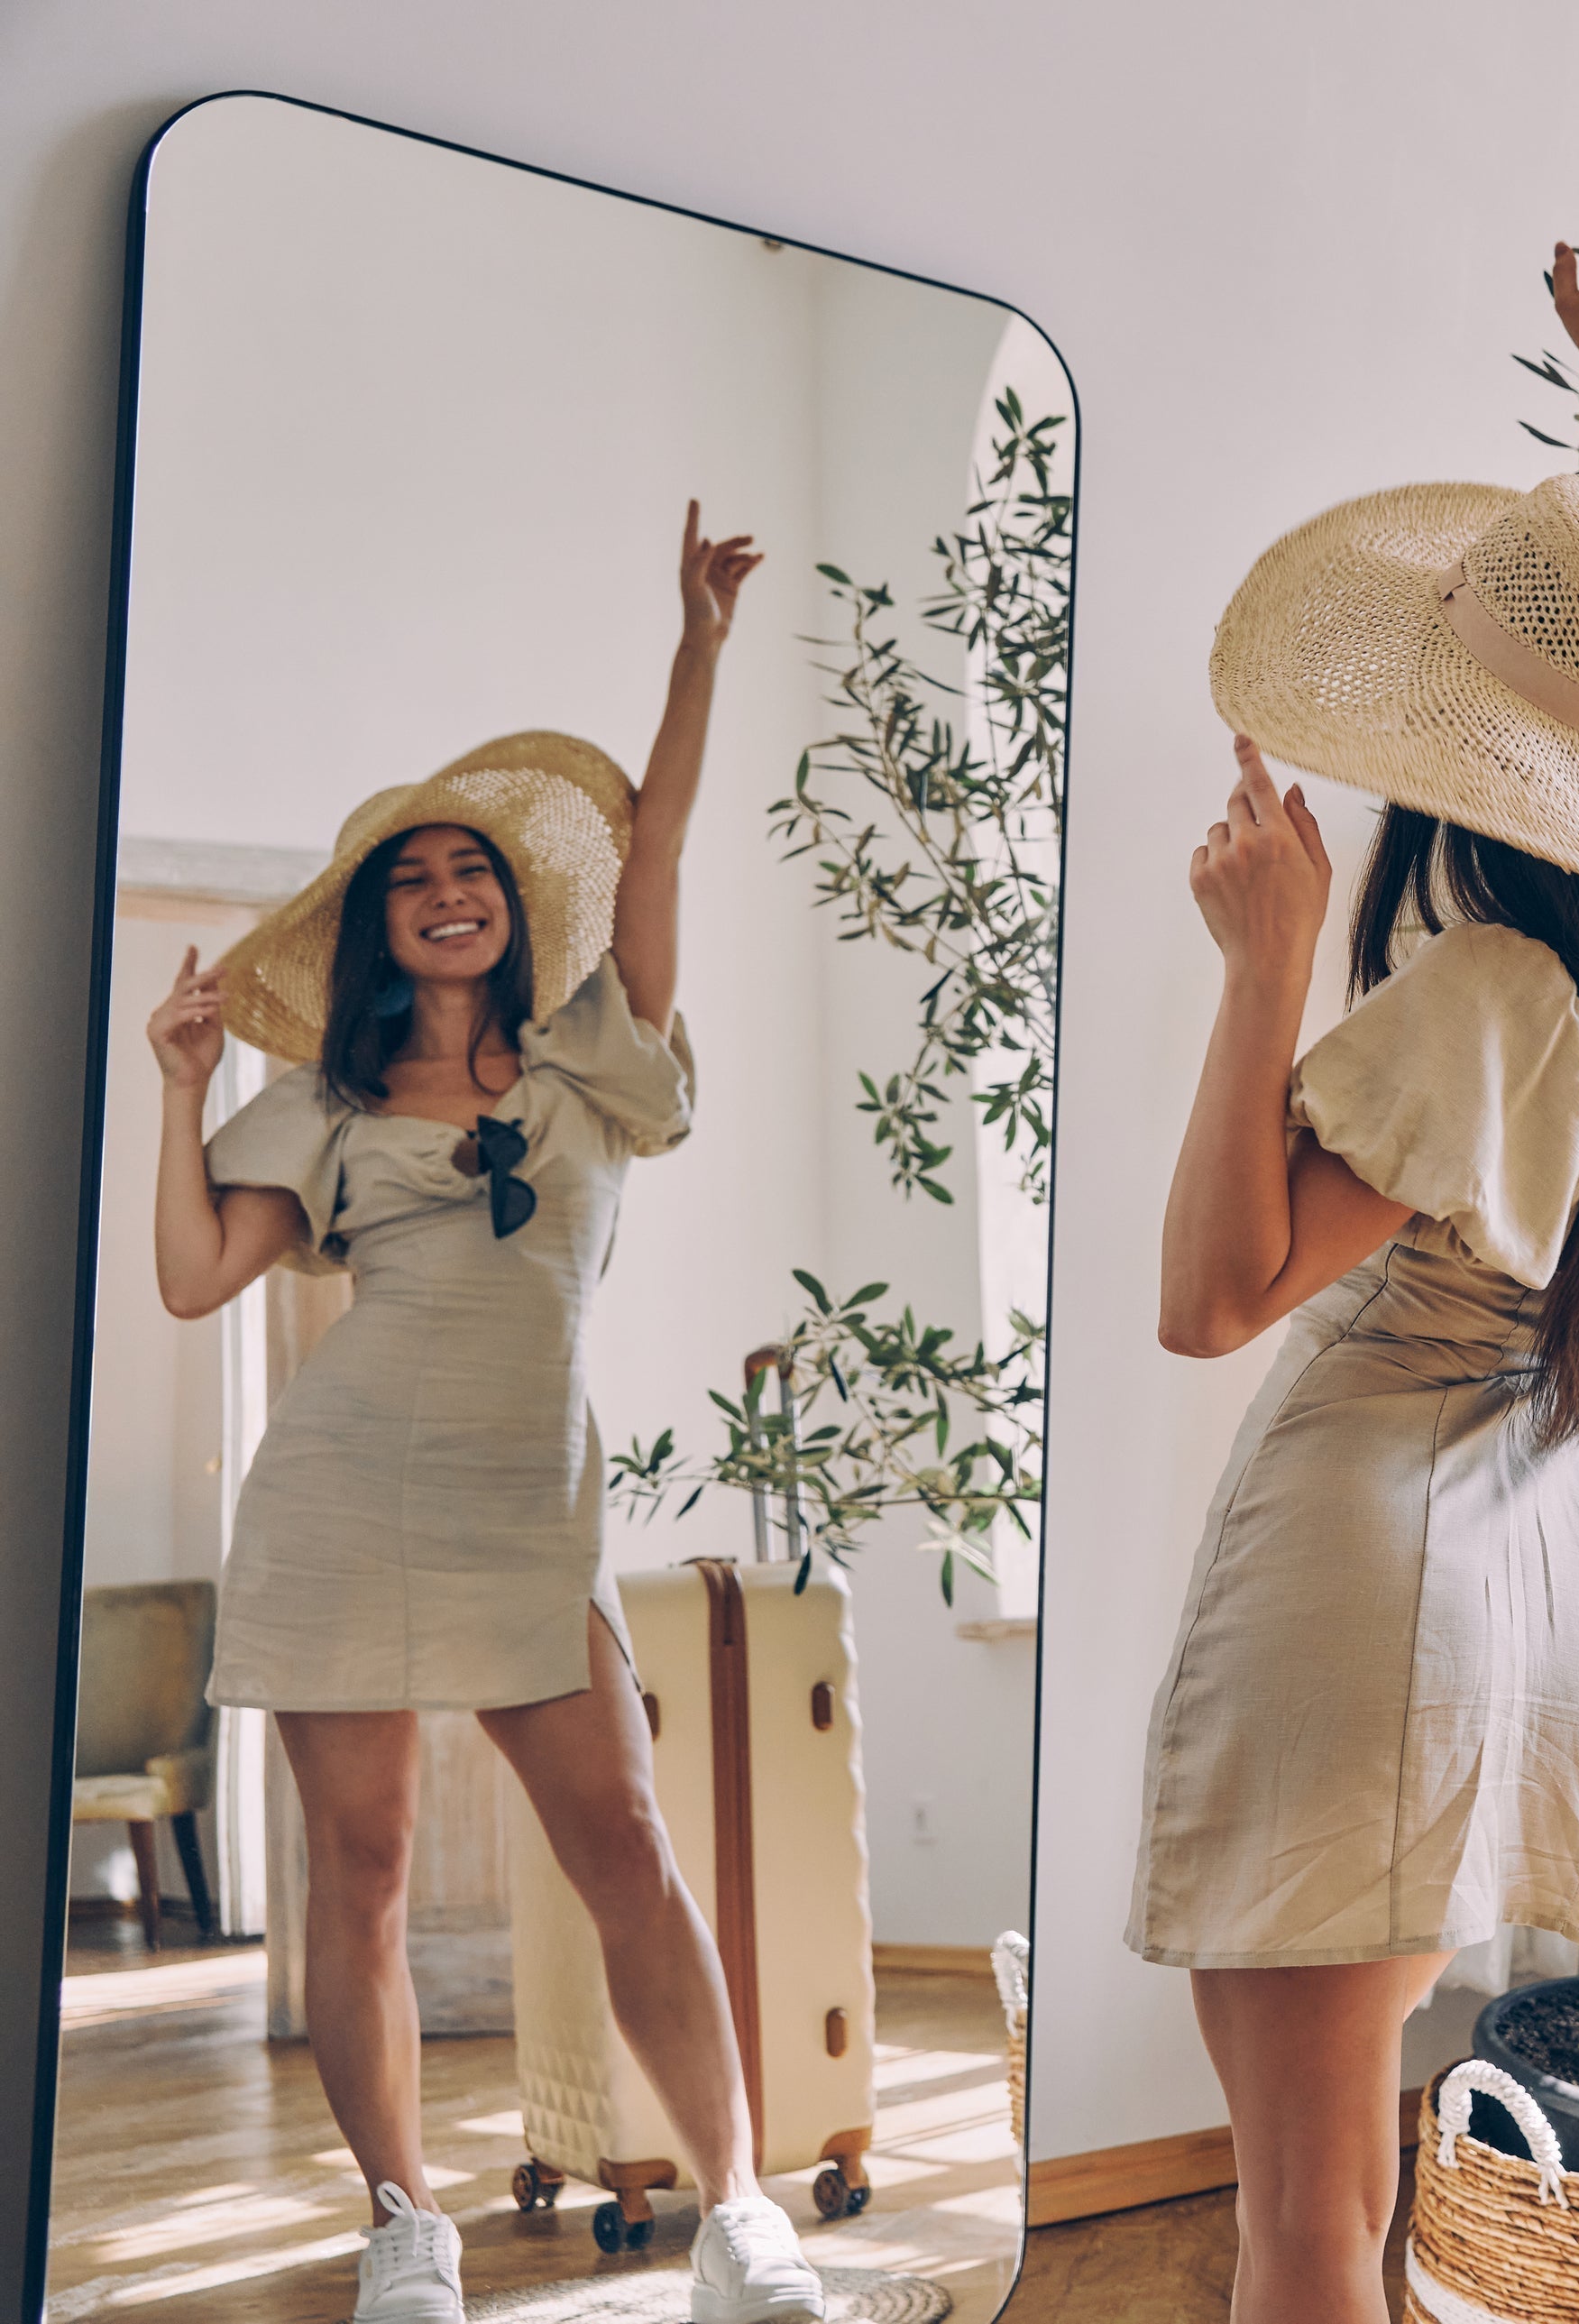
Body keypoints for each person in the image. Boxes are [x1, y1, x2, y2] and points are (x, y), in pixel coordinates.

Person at [1133, 161, 1579, 2322]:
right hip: (1533, 1573)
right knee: (1340, 2186)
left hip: (1372, 1583)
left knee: (1306, 2218)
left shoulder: (1480, 996)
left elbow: (1210, 1297)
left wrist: (1263, 963)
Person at [144, 509, 829, 2324]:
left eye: (473, 865)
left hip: (531, 1504)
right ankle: (404, 2226)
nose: (447, 886)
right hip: (343, 1495)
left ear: (516, 903)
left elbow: (660, 832)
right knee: (358, 1882)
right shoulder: (334, 1090)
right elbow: (197, 1274)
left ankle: (738, 2219)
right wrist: (182, 1088)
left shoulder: (603, 1045)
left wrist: (697, 645)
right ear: (380, 921)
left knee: (631, 1856)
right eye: (408, 872)